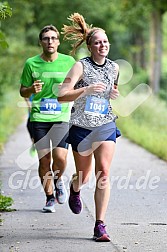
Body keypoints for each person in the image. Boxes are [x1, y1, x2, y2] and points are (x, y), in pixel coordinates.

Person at [58, 13, 121, 241]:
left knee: (103, 171)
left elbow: (108, 94)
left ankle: (100, 224)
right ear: (90, 46)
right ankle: (76, 188)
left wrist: (112, 94)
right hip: (82, 127)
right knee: (84, 176)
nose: (102, 45)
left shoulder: (114, 68)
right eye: (97, 42)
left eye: (105, 41)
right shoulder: (80, 67)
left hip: (105, 124)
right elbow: (61, 95)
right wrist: (84, 90)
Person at [20, 25, 75, 213]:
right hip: (39, 118)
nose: (50, 41)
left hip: (61, 116)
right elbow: (22, 91)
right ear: (40, 42)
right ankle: (49, 197)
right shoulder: (31, 63)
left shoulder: (69, 62)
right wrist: (30, 90)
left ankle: (58, 180)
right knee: (44, 161)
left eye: (53, 38)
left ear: (58, 42)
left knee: (60, 158)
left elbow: (78, 86)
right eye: (46, 38)